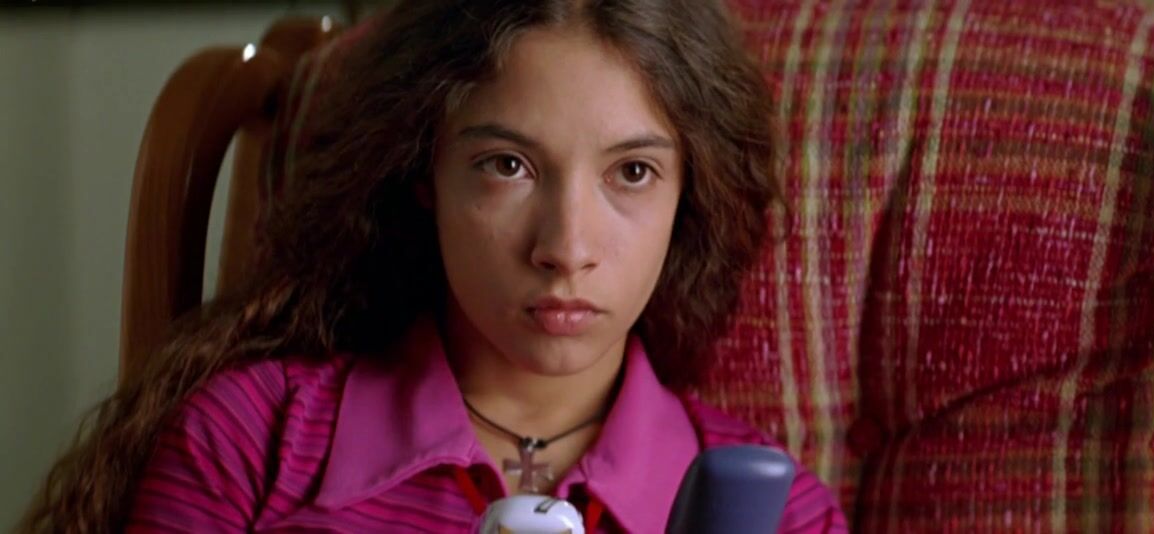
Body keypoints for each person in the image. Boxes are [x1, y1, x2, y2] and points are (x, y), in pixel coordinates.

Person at [21, 0, 847, 531]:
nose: (566, 248)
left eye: (632, 172)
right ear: (424, 172)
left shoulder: (783, 516)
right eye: (507, 166)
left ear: (689, 191)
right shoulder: (242, 445)